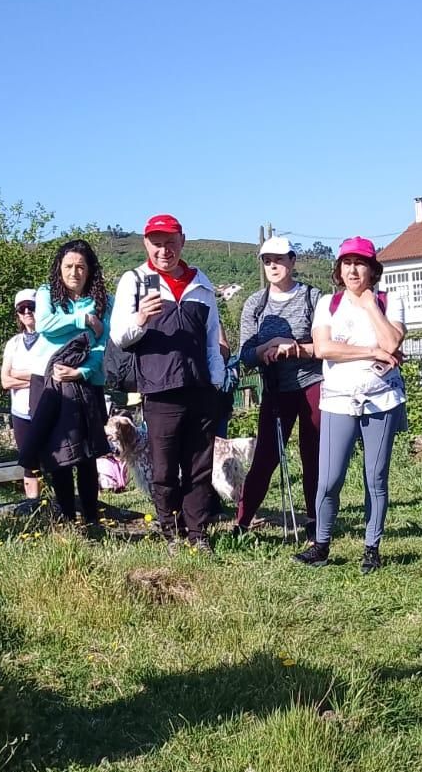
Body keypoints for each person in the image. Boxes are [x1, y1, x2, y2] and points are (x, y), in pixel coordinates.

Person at [109, 214, 225, 552]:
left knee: (199, 467)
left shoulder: (201, 284)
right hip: (159, 390)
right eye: (157, 243)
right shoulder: (135, 281)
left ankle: (198, 534)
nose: (164, 250)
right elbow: (120, 337)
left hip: (200, 388)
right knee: (163, 466)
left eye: (171, 242)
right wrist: (141, 317)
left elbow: (211, 338)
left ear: (182, 241)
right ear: (146, 244)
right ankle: (171, 532)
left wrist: (216, 380)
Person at [292, 237, 406, 573]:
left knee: (376, 478)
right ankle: (321, 544)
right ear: (338, 269)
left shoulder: (389, 300)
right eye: (346, 263)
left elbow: (391, 341)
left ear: (373, 269)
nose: (353, 269)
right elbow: (324, 348)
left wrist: (371, 306)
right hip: (338, 400)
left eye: (360, 263)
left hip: (381, 400)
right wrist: (370, 351)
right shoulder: (328, 303)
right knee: (328, 479)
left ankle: (372, 547)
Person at [233, 235, 322, 537]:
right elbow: (245, 354)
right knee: (265, 457)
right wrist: (269, 346)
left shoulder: (313, 297)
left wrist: (292, 347)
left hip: (312, 384)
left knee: (314, 455)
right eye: (267, 260)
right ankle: (242, 522)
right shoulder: (255, 304)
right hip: (274, 389)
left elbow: (325, 344)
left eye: (280, 259)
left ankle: (315, 522)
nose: (273, 265)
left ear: (292, 261)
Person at [27, 240, 110, 531]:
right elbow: (45, 324)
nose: (74, 272)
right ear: (59, 269)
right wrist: (83, 319)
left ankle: (91, 519)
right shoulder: (46, 293)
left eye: (80, 267)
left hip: (86, 384)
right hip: (47, 382)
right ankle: (64, 519)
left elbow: (102, 345)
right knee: (56, 452)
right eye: (68, 266)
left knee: (86, 454)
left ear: (90, 271)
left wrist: (82, 371)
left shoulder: (103, 301)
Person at [0, 289, 43, 501]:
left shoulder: (50, 340)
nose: (27, 312)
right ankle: (33, 504)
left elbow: (51, 375)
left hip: (45, 407)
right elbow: (5, 380)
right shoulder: (14, 343)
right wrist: (35, 378)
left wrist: (20, 374)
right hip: (20, 412)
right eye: (21, 309)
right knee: (28, 461)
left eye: (31, 307)